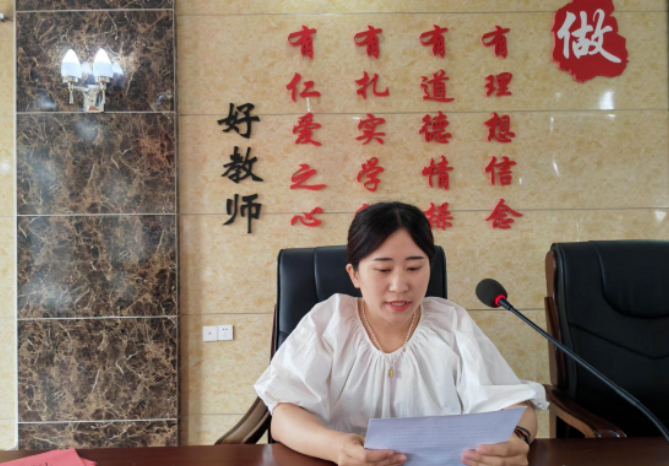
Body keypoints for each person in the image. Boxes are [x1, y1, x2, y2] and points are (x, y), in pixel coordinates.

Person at [254, 202, 548, 466]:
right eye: (383, 270)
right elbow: (284, 413)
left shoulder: (451, 322)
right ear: (354, 275)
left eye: (414, 267)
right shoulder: (328, 321)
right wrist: (336, 448)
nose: (400, 285)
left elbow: (513, 403)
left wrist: (517, 438)